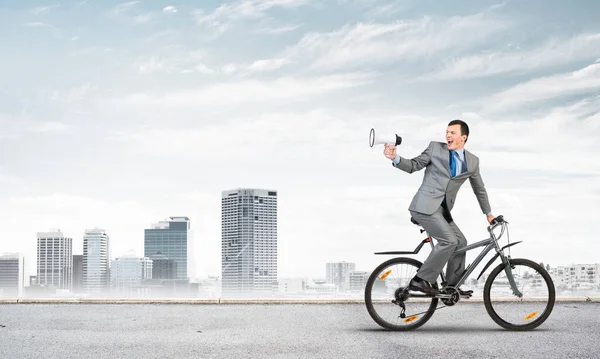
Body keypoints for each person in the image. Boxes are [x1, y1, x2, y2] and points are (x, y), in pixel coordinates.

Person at [383, 119, 495, 295]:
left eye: (452, 133)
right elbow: (413, 165)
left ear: (463, 137)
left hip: (443, 211)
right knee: (449, 241)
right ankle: (420, 280)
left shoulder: (472, 162)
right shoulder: (435, 148)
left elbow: (479, 189)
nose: (448, 135)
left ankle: (451, 287)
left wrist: (488, 214)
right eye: (447, 132)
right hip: (424, 206)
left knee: (461, 242)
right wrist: (395, 158)